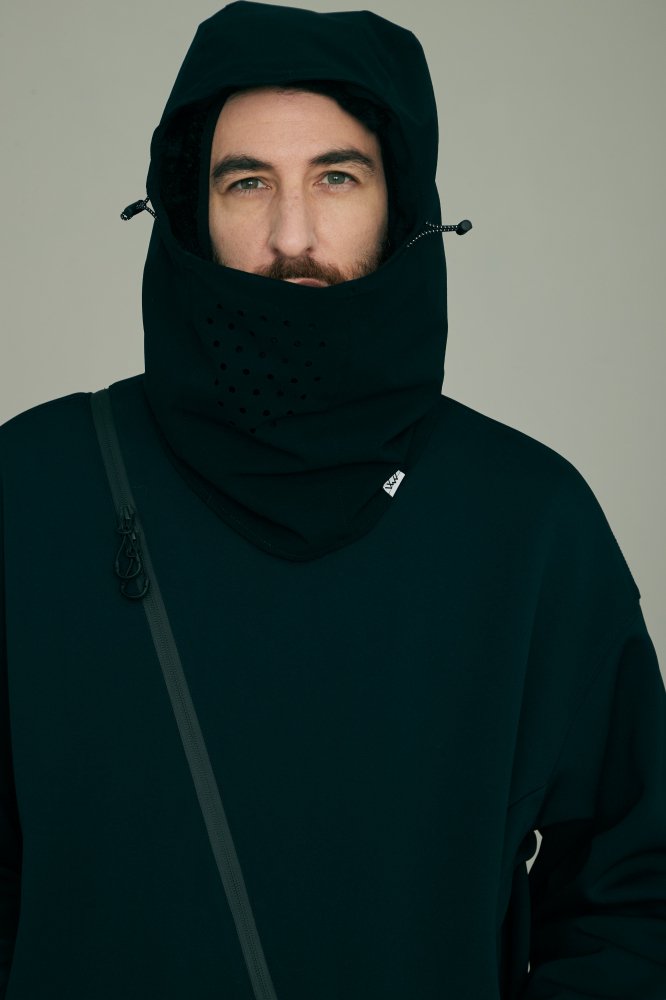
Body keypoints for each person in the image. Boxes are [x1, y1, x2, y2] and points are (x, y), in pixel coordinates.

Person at [0, 2, 664, 997]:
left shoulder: (530, 526)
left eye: (337, 176)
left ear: (403, 202)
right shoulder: (33, 490)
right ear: (187, 208)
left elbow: (634, 894)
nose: (292, 235)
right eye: (247, 181)